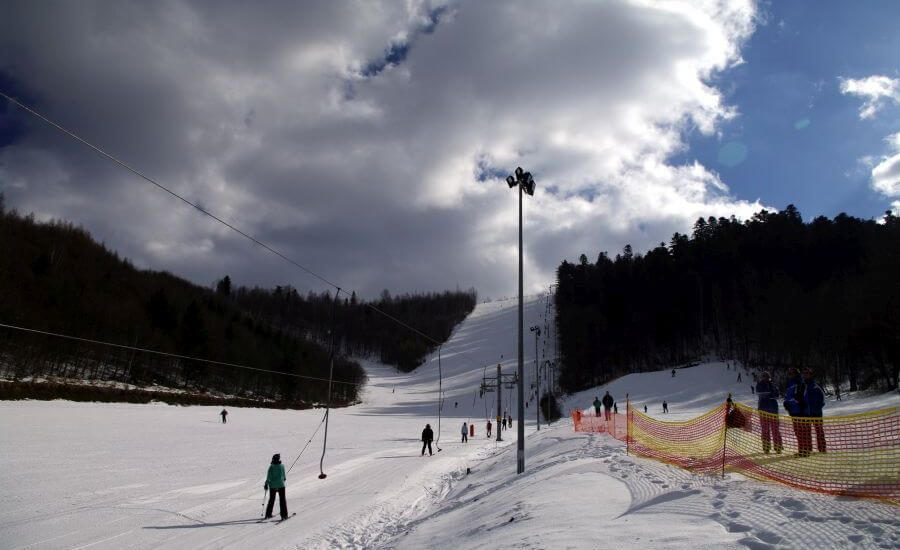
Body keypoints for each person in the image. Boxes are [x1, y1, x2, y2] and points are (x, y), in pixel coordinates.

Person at [784, 368, 811, 457]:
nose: (790, 375)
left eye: (792, 373)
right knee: (798, 431)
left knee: (802, 431)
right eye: (789, 373)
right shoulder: (790, 383)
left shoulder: (800, 382)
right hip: (794, 411)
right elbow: (788, 396)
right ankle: (802, 449)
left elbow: (799, 397)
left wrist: (791, 402)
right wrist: (786, 403)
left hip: (801, 411)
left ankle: (805, 450)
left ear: (796, 374)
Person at [755, 371, 783, 454]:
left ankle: (778, 447)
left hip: (773, 410)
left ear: (769, 377)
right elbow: (762, 394)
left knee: (775, 429)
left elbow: (777, 395)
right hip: (763, 410)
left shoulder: (773, 385)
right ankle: (766, 447)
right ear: (762, 377)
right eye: (764, 376)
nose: (765, 378)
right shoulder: (759, 385)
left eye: (767, 376)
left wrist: (770, 394)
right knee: (765, 430)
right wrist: (771, 394)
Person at [802, 368, 826, 454]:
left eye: (807, 373)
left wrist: (816, 409)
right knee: (806, 432)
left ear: (811, 374)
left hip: (816, 414)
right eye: (804, 373)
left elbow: (823, 400)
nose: (805, 375)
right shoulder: (802, 386)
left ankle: (822, 449)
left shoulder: (816, 386)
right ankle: (808, 449)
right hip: (806, 414)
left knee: (819, 431)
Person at [264, 453, 288, 520]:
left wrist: (266, 484)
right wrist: (283, 479)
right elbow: (284, 477)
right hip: (281, 485)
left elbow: (269, 477)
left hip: (272, 486)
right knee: (282, 500)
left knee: (271, 500)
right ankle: (284, 515)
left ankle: (268, 514)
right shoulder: (282, 466)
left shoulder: (271, 467)